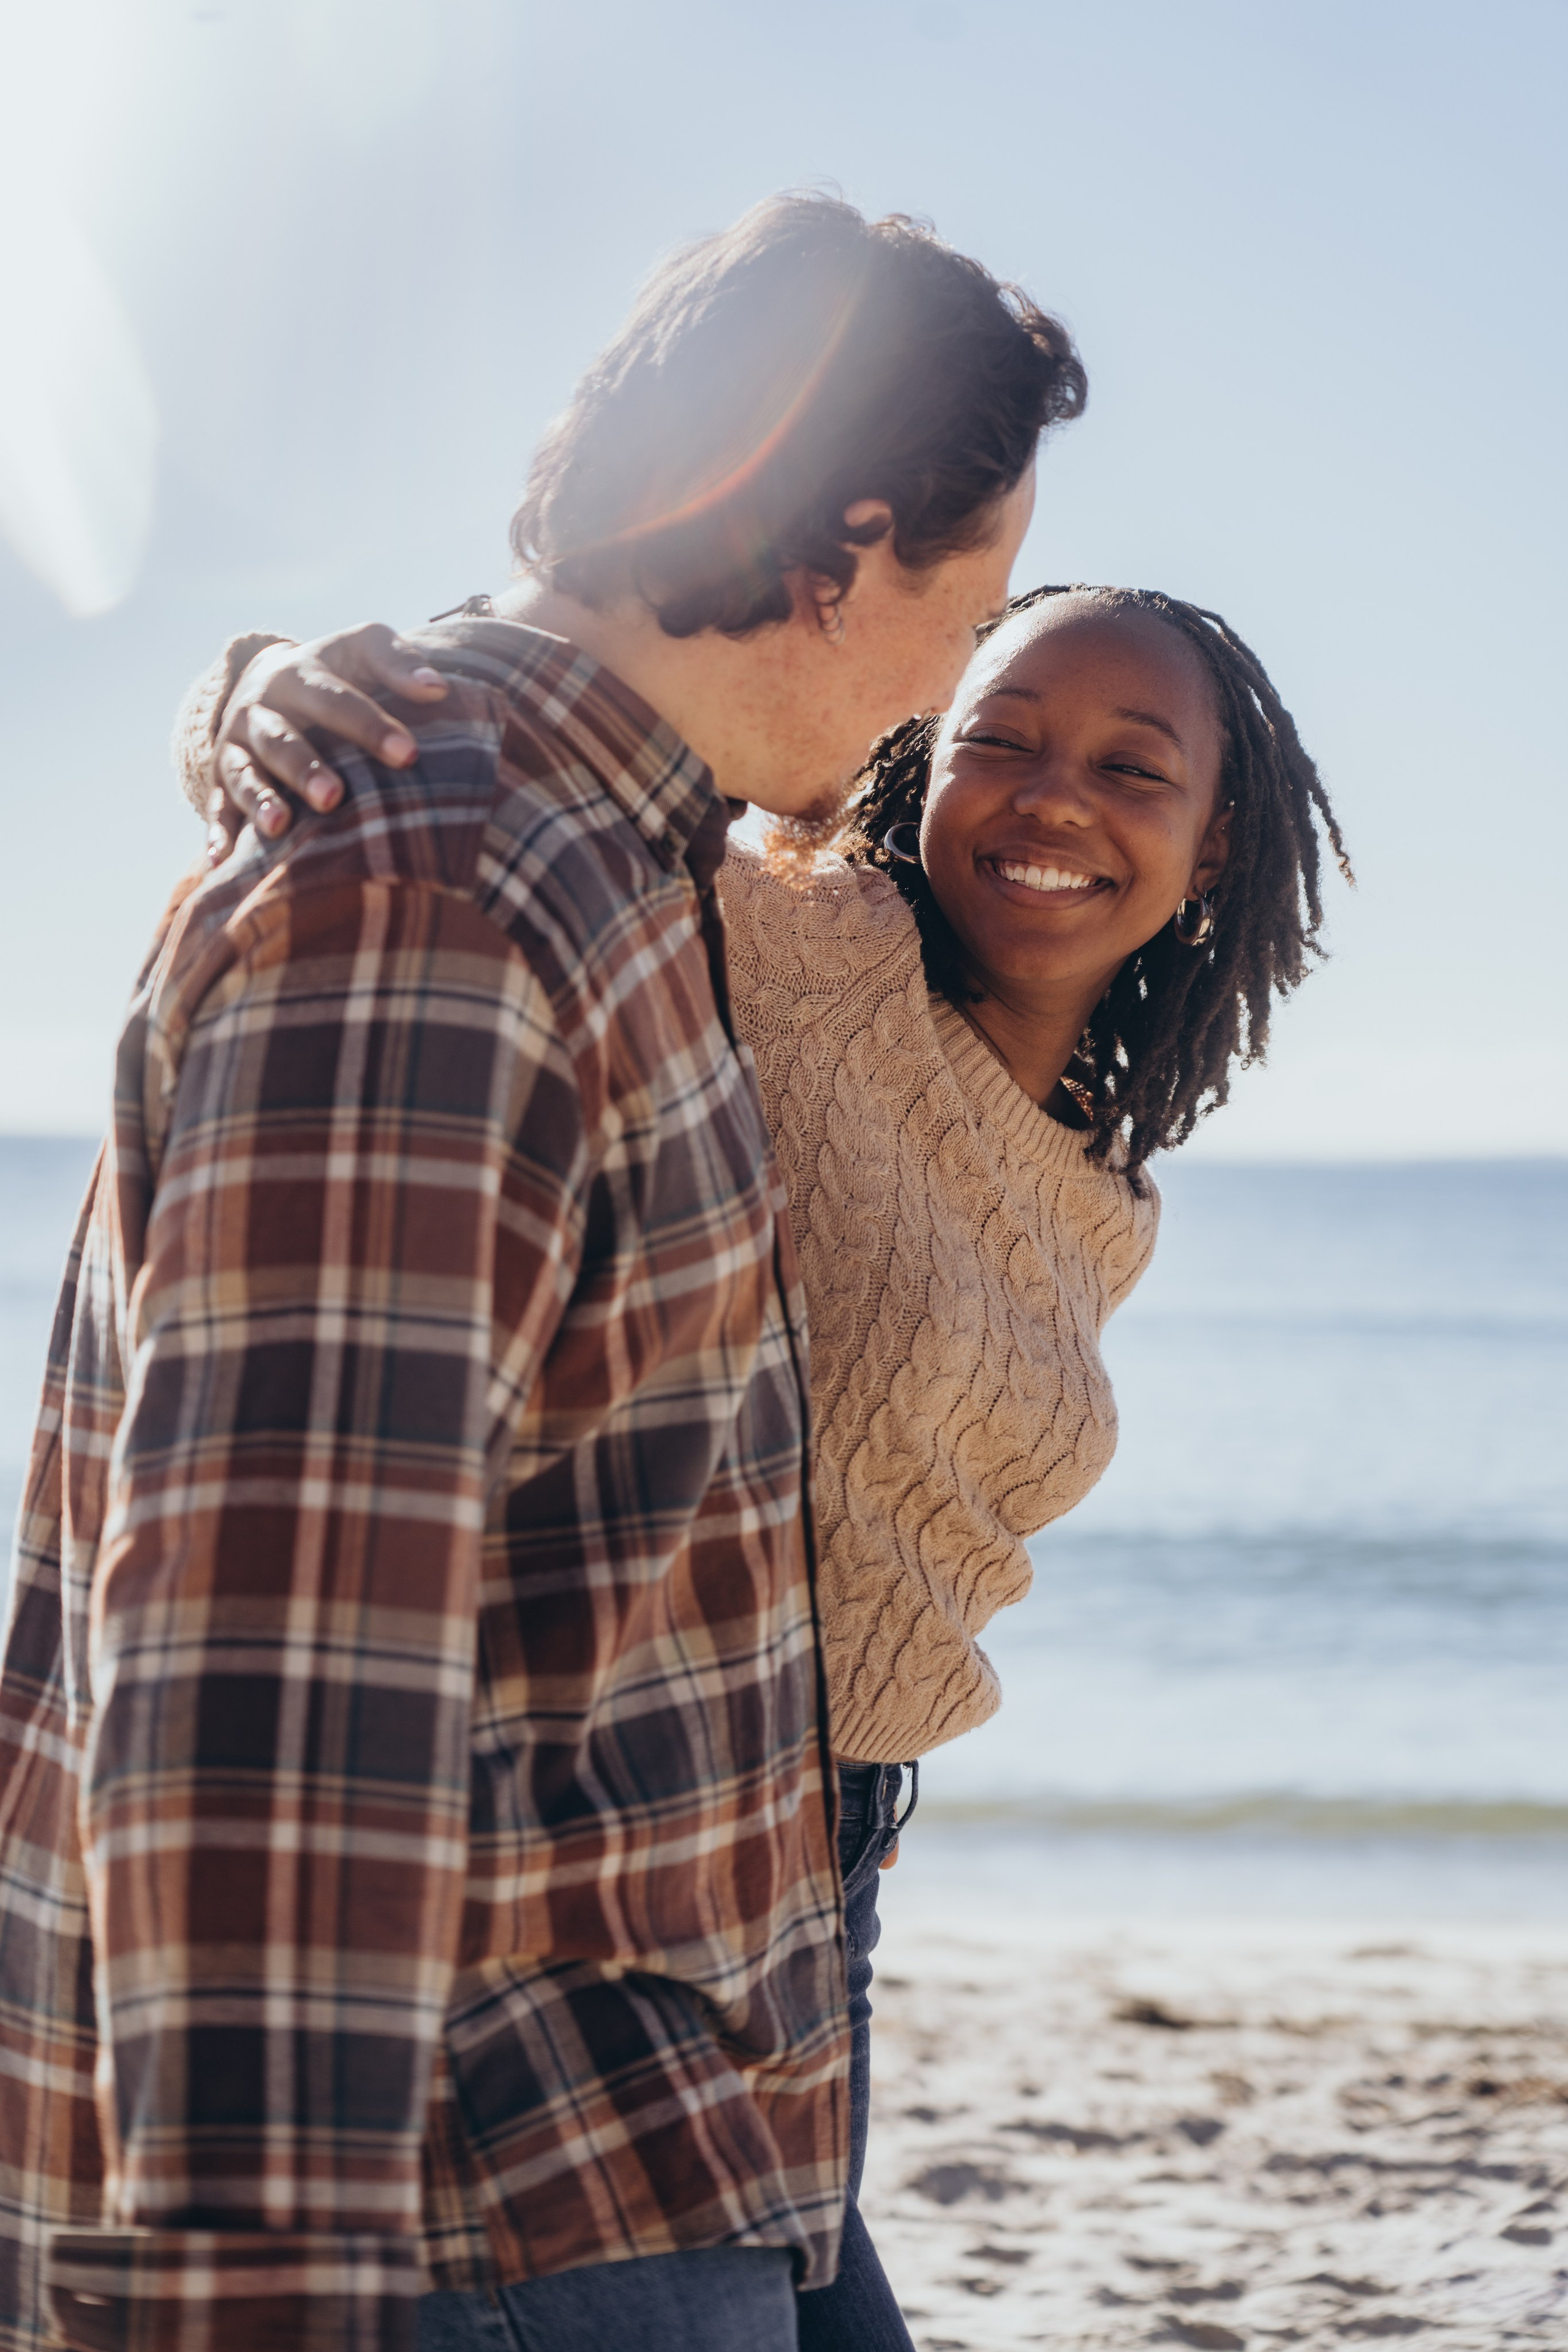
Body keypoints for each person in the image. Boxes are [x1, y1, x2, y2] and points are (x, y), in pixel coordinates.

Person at [0, 194, 1087, 2352]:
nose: (952, 684)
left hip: (651, 2139)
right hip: (477, 2214)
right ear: (842, 549)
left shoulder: (608, 853)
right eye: (966, 608)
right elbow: (264, 1694)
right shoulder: (448, 893)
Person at [189, 578, 1350, 2350]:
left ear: (1212, 845)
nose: (1055, 798)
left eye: (1134, 768)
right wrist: (274, 681)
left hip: (839, 1882)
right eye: (1004, 741)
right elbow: (516, 768)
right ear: (922, 761)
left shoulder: (1103, 1187)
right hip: (621, 1851)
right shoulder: (785, 931)